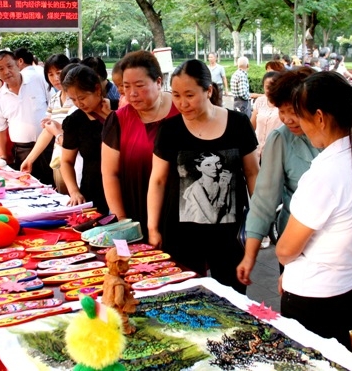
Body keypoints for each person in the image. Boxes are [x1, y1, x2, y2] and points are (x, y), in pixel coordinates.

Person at [275, 71, 352, 350]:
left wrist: (289, 265)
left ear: (320, 118)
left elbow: (285, 249)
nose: (297, 124)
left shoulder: (326, 173)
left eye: (301, 116)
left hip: (316, 298)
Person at [147, 59, 259, 294]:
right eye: (176, 95)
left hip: (229, 236)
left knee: (232, 300)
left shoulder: (238, 124)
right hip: (181, 235)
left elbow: (252, 173)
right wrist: (153, 228)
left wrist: (259, 225)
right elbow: (158, 181)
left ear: (209, 90)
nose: (182, 103)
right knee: (186, 299)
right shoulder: (170, 130)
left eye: (189, 95)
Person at [236, 67, 319, 285]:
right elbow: (264, 199)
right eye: (282, 111)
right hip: (293, 243)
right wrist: (250, 255)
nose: (288, 119)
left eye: (294, 111)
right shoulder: (281, 139)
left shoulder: (345, 139)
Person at [101, 51, 179, 239]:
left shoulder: (181, 112)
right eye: (126, 87)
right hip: (134, 210)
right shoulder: (118, 120)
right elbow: (110, 173)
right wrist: (121, 219)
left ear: (158, 82)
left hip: (179, 213)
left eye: (139, 86)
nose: (132, 94)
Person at [58, 65, 117, 214]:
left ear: (97, 89)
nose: (79, 104)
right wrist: (74, 191)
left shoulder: (120, 110)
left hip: (127, 187)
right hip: (93, 191)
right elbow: (66, 161)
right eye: (73, 100)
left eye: (82, 98)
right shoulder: (75, 121)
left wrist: (112, 117)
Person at [0, 50, 53, 185]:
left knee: (52, 183)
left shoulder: (38, 79)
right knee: (29, 186)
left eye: (9, 66)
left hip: (48, 146)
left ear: (18, 64)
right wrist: (3, 156)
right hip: (22, 150)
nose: (6, 72)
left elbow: (53, 105)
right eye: (1, 69)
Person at [20, 54, 75, 193]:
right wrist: (30, 159)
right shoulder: (55, 98)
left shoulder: (77, 98)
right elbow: (47, 131)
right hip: (58, 160)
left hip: (76, 160)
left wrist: (57, 128)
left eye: (59, 73)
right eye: (50, 74)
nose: (55, 78)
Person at [251, 71, 282, 160]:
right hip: (257, 150)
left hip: (275, 152)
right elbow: (252, 126)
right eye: (267, 87)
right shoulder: (260, 101)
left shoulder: (285, 105)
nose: (270, 90)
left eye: (274, 87)